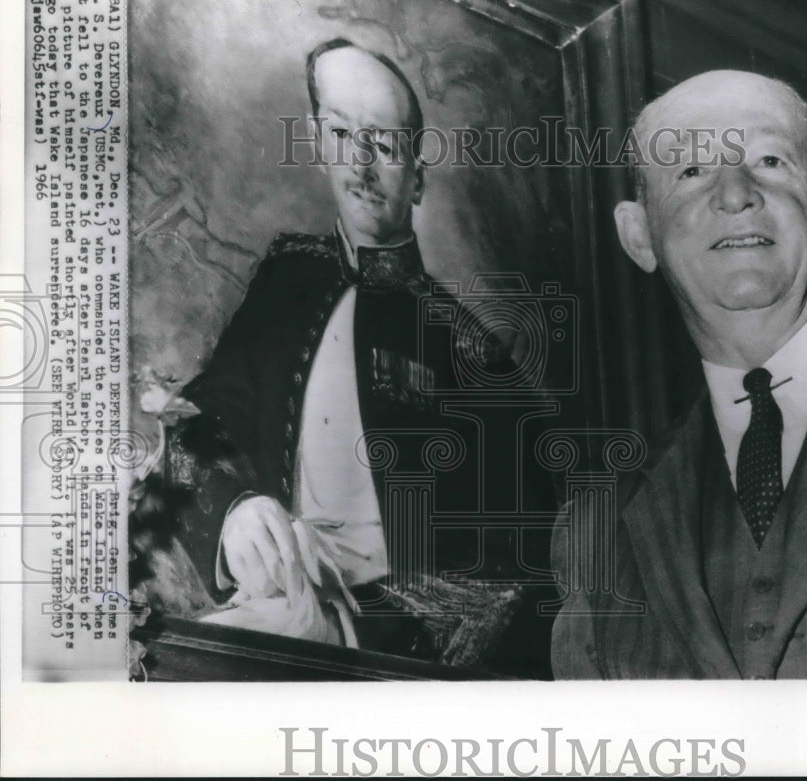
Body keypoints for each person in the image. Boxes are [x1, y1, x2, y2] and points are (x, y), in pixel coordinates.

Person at [550, 69, 807, 679]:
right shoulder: (598, 527)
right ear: (639, 237)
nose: (734, 193)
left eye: (769, 159)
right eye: (690, 171)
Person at [170, 39, 555, 675]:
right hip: (270, 611)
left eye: (385, 143)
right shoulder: (287, 285)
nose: (362, 164)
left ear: (419, 175)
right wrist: (234, 509)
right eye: (343, 134)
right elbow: (195, 426)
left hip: (394, 656)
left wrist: (363, 630)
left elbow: (523, 571)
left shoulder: (475, 356)